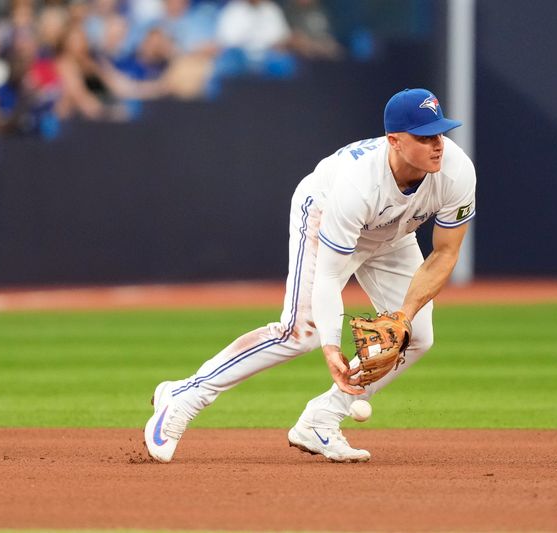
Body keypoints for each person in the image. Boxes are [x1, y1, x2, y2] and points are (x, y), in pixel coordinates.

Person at [144, 88, 477, 463]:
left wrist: (403, 316)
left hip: (392, 235)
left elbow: (445, 252)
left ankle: (322, 419)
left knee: (416, 336)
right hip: (323, 212)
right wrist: (332, 345)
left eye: (440, 134)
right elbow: (331, 278)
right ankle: (184, 396)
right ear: (395, 141)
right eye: (425, 137)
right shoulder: (357, 185)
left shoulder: (456, 171)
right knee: (300, 332)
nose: (438, 145)